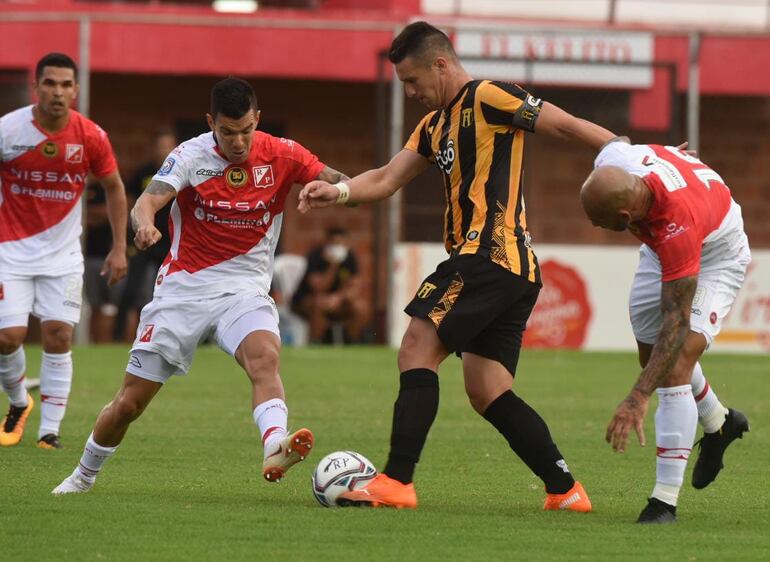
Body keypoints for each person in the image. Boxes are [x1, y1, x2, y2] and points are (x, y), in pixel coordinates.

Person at [298, 21, 617, 511]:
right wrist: (338, 192)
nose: (410, 93)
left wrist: (636, 157)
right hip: (511, 269)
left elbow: (567, 125)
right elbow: (385, 179)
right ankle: (566, 490)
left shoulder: (489, 96)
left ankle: (398, 482)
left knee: (415, 345)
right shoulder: (433, 126)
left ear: (441, 64)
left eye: (413, 81)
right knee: (487, 389)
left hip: (488, 254)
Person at [53, 77, 349, 494]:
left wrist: (333, 189)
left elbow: (340, 179)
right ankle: (82, 476)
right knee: (130, 403)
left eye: (246, 130)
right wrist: (143, 226)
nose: (239, 142)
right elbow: (147, 201)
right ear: (212, 123)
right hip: (183, 291)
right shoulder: (190, 155)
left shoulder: (283, 153)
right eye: (228, 132)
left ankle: (273, 445)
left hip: (243, 289)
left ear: (258, 120)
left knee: (264, 357)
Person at [580, 139, 751, 523]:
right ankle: (719, 421)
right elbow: (609, 139)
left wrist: (638, 396)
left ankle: (663, 503)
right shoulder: (619, 160)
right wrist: (667, 156)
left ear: (625, 217)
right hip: (664, 249)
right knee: (651, 357)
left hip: (714, 256)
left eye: (600, 222)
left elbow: (676, 322)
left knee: (671, 365)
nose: (596, 227)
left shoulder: (677, 225)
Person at [0, 53, 128, 449]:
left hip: (63, 257)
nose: (57, 91)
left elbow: (114, 188)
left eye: (65, 85)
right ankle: (20, 402)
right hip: (10, 250)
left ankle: (49, 432)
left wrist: (119, 247)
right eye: (50, 83)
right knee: (7, 337)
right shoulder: (8, 131)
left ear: (76, 90)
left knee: (59, 337)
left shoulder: (90, 136)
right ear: (35, 87)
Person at [118, 128, 177, 341]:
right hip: (144, 239)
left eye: (167, 146)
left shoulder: (180, 173)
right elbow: (130, 202)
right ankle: (119, 338)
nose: (163, 151)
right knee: (131, 291)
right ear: (153, 149)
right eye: (160, 147)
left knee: (174, 292)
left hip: (170, 241)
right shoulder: (144, 173)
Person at [291, 226, 369, 343]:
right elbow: (318, 287)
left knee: (360, 307)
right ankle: (317, 341)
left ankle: (352, 341)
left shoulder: (350, 257)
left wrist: (338, 298)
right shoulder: (316, 256)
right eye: (335, 243)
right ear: (327, 243)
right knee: (318, 304)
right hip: (310, 300)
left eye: (341, 244)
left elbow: (355, 286)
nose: (338, 248)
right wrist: (333, 265)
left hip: (337, 300)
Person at [84, 181, 128, 343]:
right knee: (94, 305)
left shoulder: (113, 186)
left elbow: (112, 211)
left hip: (113, 255)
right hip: (89, 257)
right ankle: (96, 346)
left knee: (117, 306)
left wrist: (92, 215)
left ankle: (119, 344)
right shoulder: (86, 187)